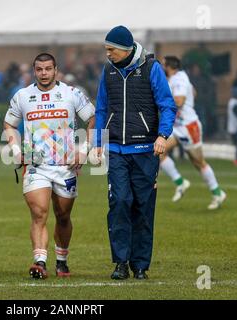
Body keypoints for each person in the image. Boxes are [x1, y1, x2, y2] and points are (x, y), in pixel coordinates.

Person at [3, 53, 96, 279]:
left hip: (65, 167)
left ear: (56, 70)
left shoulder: (72, 94)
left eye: (48, 69)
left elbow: (93, 119)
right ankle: (40, 262)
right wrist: (17, 151)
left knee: (63, 215)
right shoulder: (23, 96)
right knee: (39, 212)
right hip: (36, 166)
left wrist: (84, 150)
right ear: (34, 71)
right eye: (39, 69)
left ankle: (62, 261)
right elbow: (9, 123)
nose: (43, 73)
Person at [94, 26, 176, 280]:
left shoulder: (152, 69)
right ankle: (120, 263)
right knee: (119, 203)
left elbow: (167, 104)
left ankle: (140, 264)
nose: (107, 54)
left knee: (143, 207)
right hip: (116, 150)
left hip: (145, 151)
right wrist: (98, 142)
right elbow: (101, 108)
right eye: (106, 49)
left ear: (127, 49)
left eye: (111, 49)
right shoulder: (107, 71)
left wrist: (163, 136)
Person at [160, 56, 226, 210]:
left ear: (170, 66)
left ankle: (217, 193)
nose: (161, 67)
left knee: (198, 162)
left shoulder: (179, 79)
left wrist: (161, 101)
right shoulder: (176, 79)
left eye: (163, 64)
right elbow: (194, 93)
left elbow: (180, 101)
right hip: (177, 126)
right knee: (158, 151)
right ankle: (180, 182)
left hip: (189, 126)